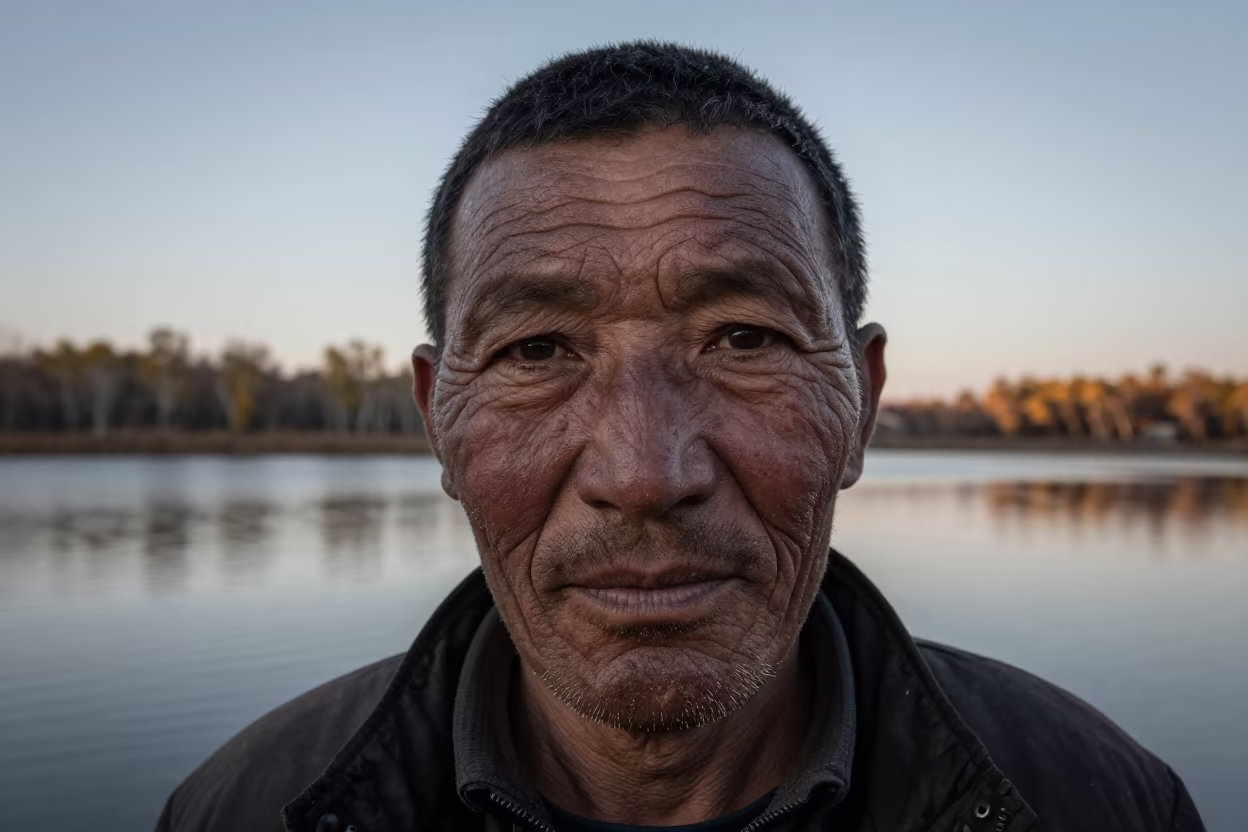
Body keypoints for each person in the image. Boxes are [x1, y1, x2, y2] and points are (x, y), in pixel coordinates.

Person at [155, 42, 1205, 832]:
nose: (644, 473)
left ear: (862, 403)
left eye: (743, 337)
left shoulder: (1099, 803)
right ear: (440, 417)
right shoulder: (244, 809)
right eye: (535, 351)